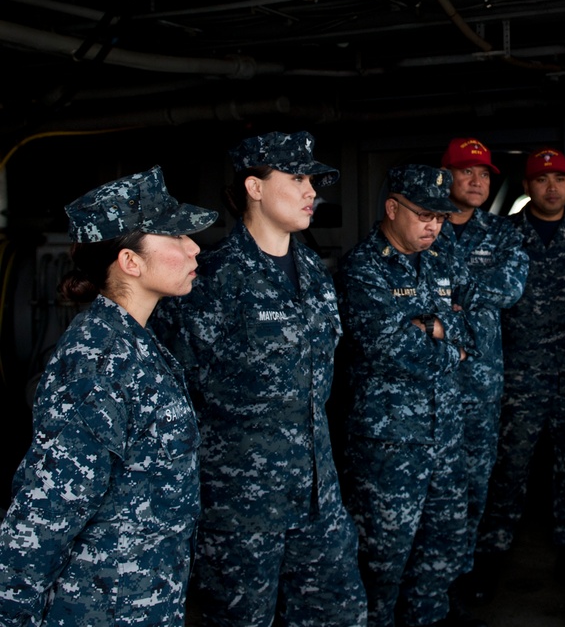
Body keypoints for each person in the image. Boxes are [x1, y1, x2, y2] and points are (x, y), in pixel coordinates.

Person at [151, 132, 367, 627]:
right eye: (296, 178)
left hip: (317, 497)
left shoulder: (314, 272)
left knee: (341, 614)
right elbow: (175, 395)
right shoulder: (210, 282)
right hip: (241, 510)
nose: (311, 190)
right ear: (254, 187)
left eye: (313, 179)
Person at [0, 167, 217, 626]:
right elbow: (44, 514)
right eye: (176, 236)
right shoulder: (98, 361)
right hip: (101, 607)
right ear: (130, 262)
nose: (194, 246)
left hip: (144, 598)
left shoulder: (133, 341)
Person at [336, 164, 478, 627]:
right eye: (424, 214)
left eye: (440, 216)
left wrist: (437, 329)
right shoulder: (363, 266)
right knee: (383, 559)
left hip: (446, 438)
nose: (433, 225)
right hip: (390, 444)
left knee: (441, 553)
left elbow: (474, 326)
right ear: (392, 208)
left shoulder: (441, 259)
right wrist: (450, 347)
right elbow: (387, 348)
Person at [474, 148, 565, 589]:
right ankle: (491, 554)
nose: (551, 187)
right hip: (521, 372)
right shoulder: (504, 236)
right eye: (541, 179)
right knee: (508, 467)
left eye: (560, 178)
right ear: (527, 186)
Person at [436, 138, 528, 602]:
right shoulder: (424, 225)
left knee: (474, 482)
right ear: (445, 176)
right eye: (466, 171)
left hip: (479, 383)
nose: (477, 181)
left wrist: (450, 295)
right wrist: (469, 291)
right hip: (429, 383)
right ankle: (427, 587)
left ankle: (461, 580)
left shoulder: (503, 233)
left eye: (485, 174)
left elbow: (510, 287)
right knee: (429, 486)